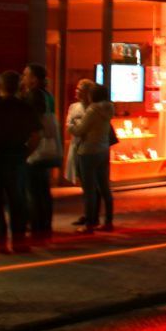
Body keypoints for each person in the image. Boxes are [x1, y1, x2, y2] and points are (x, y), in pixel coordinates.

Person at [0, 71, 40, 254]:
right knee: (18, 201)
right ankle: (19, 241)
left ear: (0, 86)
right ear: (18, 87)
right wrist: (25, 153)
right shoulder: (26, 107)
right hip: (16, 159)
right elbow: (36, 135)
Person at [21, 63, 59, 244]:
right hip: (47, 148)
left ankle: (37, 226)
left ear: (34, 79)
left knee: (34, 190)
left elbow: (32, 123)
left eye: (26, 75)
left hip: (36, 148)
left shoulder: (34, 96)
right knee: (43, 189)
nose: (23, 78)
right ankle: (45, 224)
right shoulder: (48, 96)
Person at [69, 83, 115, 233]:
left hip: (88, 151)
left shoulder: (92, 110)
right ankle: (108, 221)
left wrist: (71, 126)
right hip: (103, 150)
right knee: (104, 188)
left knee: (89, 190)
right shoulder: (109, 108)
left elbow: (80, 130)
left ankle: (89, 224)